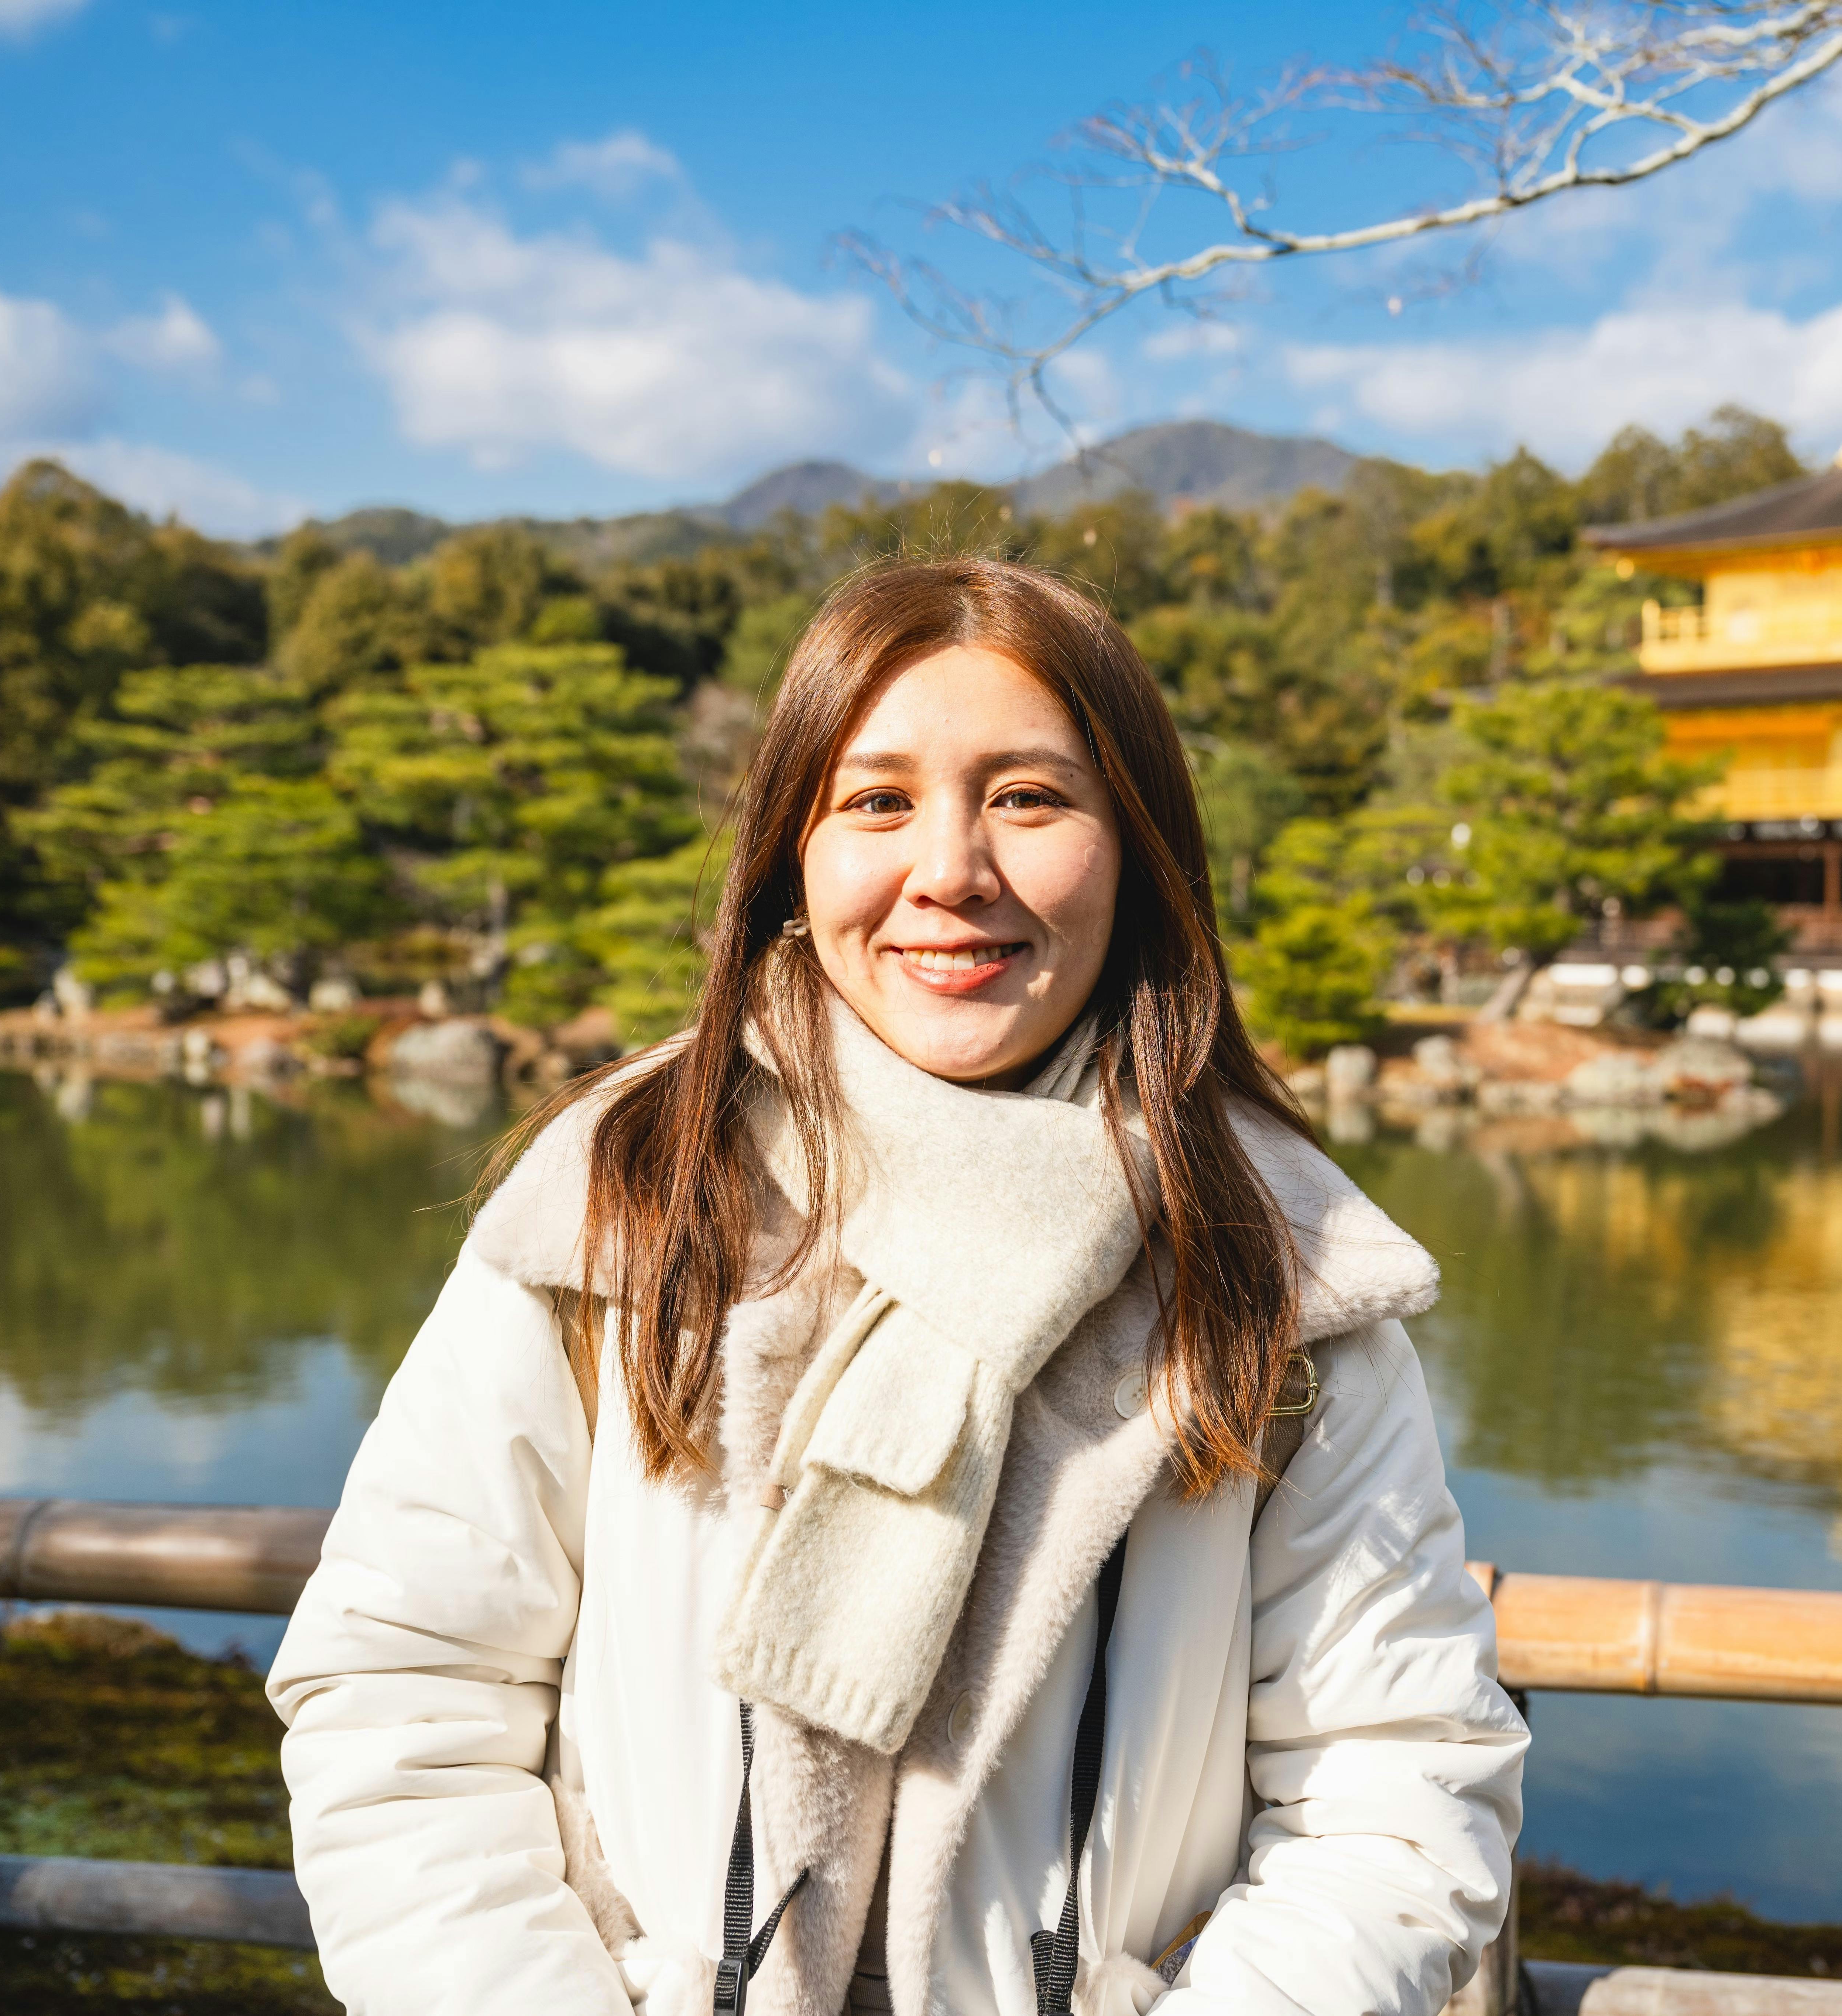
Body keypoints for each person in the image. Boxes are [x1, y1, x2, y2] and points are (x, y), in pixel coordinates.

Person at [267, 557, 1527, 2016]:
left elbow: (1393, 1779)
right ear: (789, 851)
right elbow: (404, 1688)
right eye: (876, 801)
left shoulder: (1271, 1268)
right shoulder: (622, 1201)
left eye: (1029, 798)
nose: (951, 869)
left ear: (1137, 848)